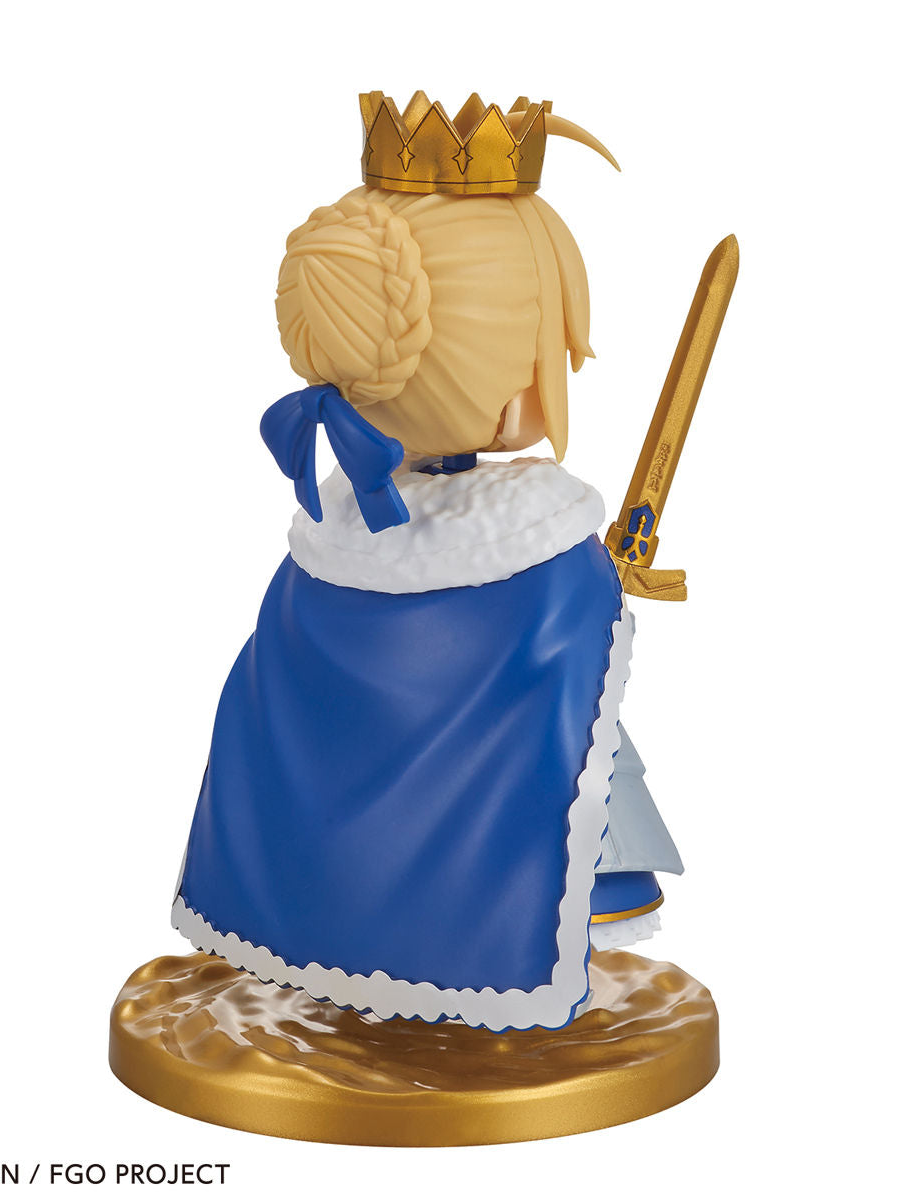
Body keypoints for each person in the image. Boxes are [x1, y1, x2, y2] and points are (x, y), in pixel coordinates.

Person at [172, 96, 682, 1032]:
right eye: (551, 350)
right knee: (578, 800)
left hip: (314, 878)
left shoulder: (328, 542)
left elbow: (273, 711)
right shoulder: (532, 549)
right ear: (509, 384)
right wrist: (605, 580)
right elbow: (559, 672)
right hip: (481, 884)